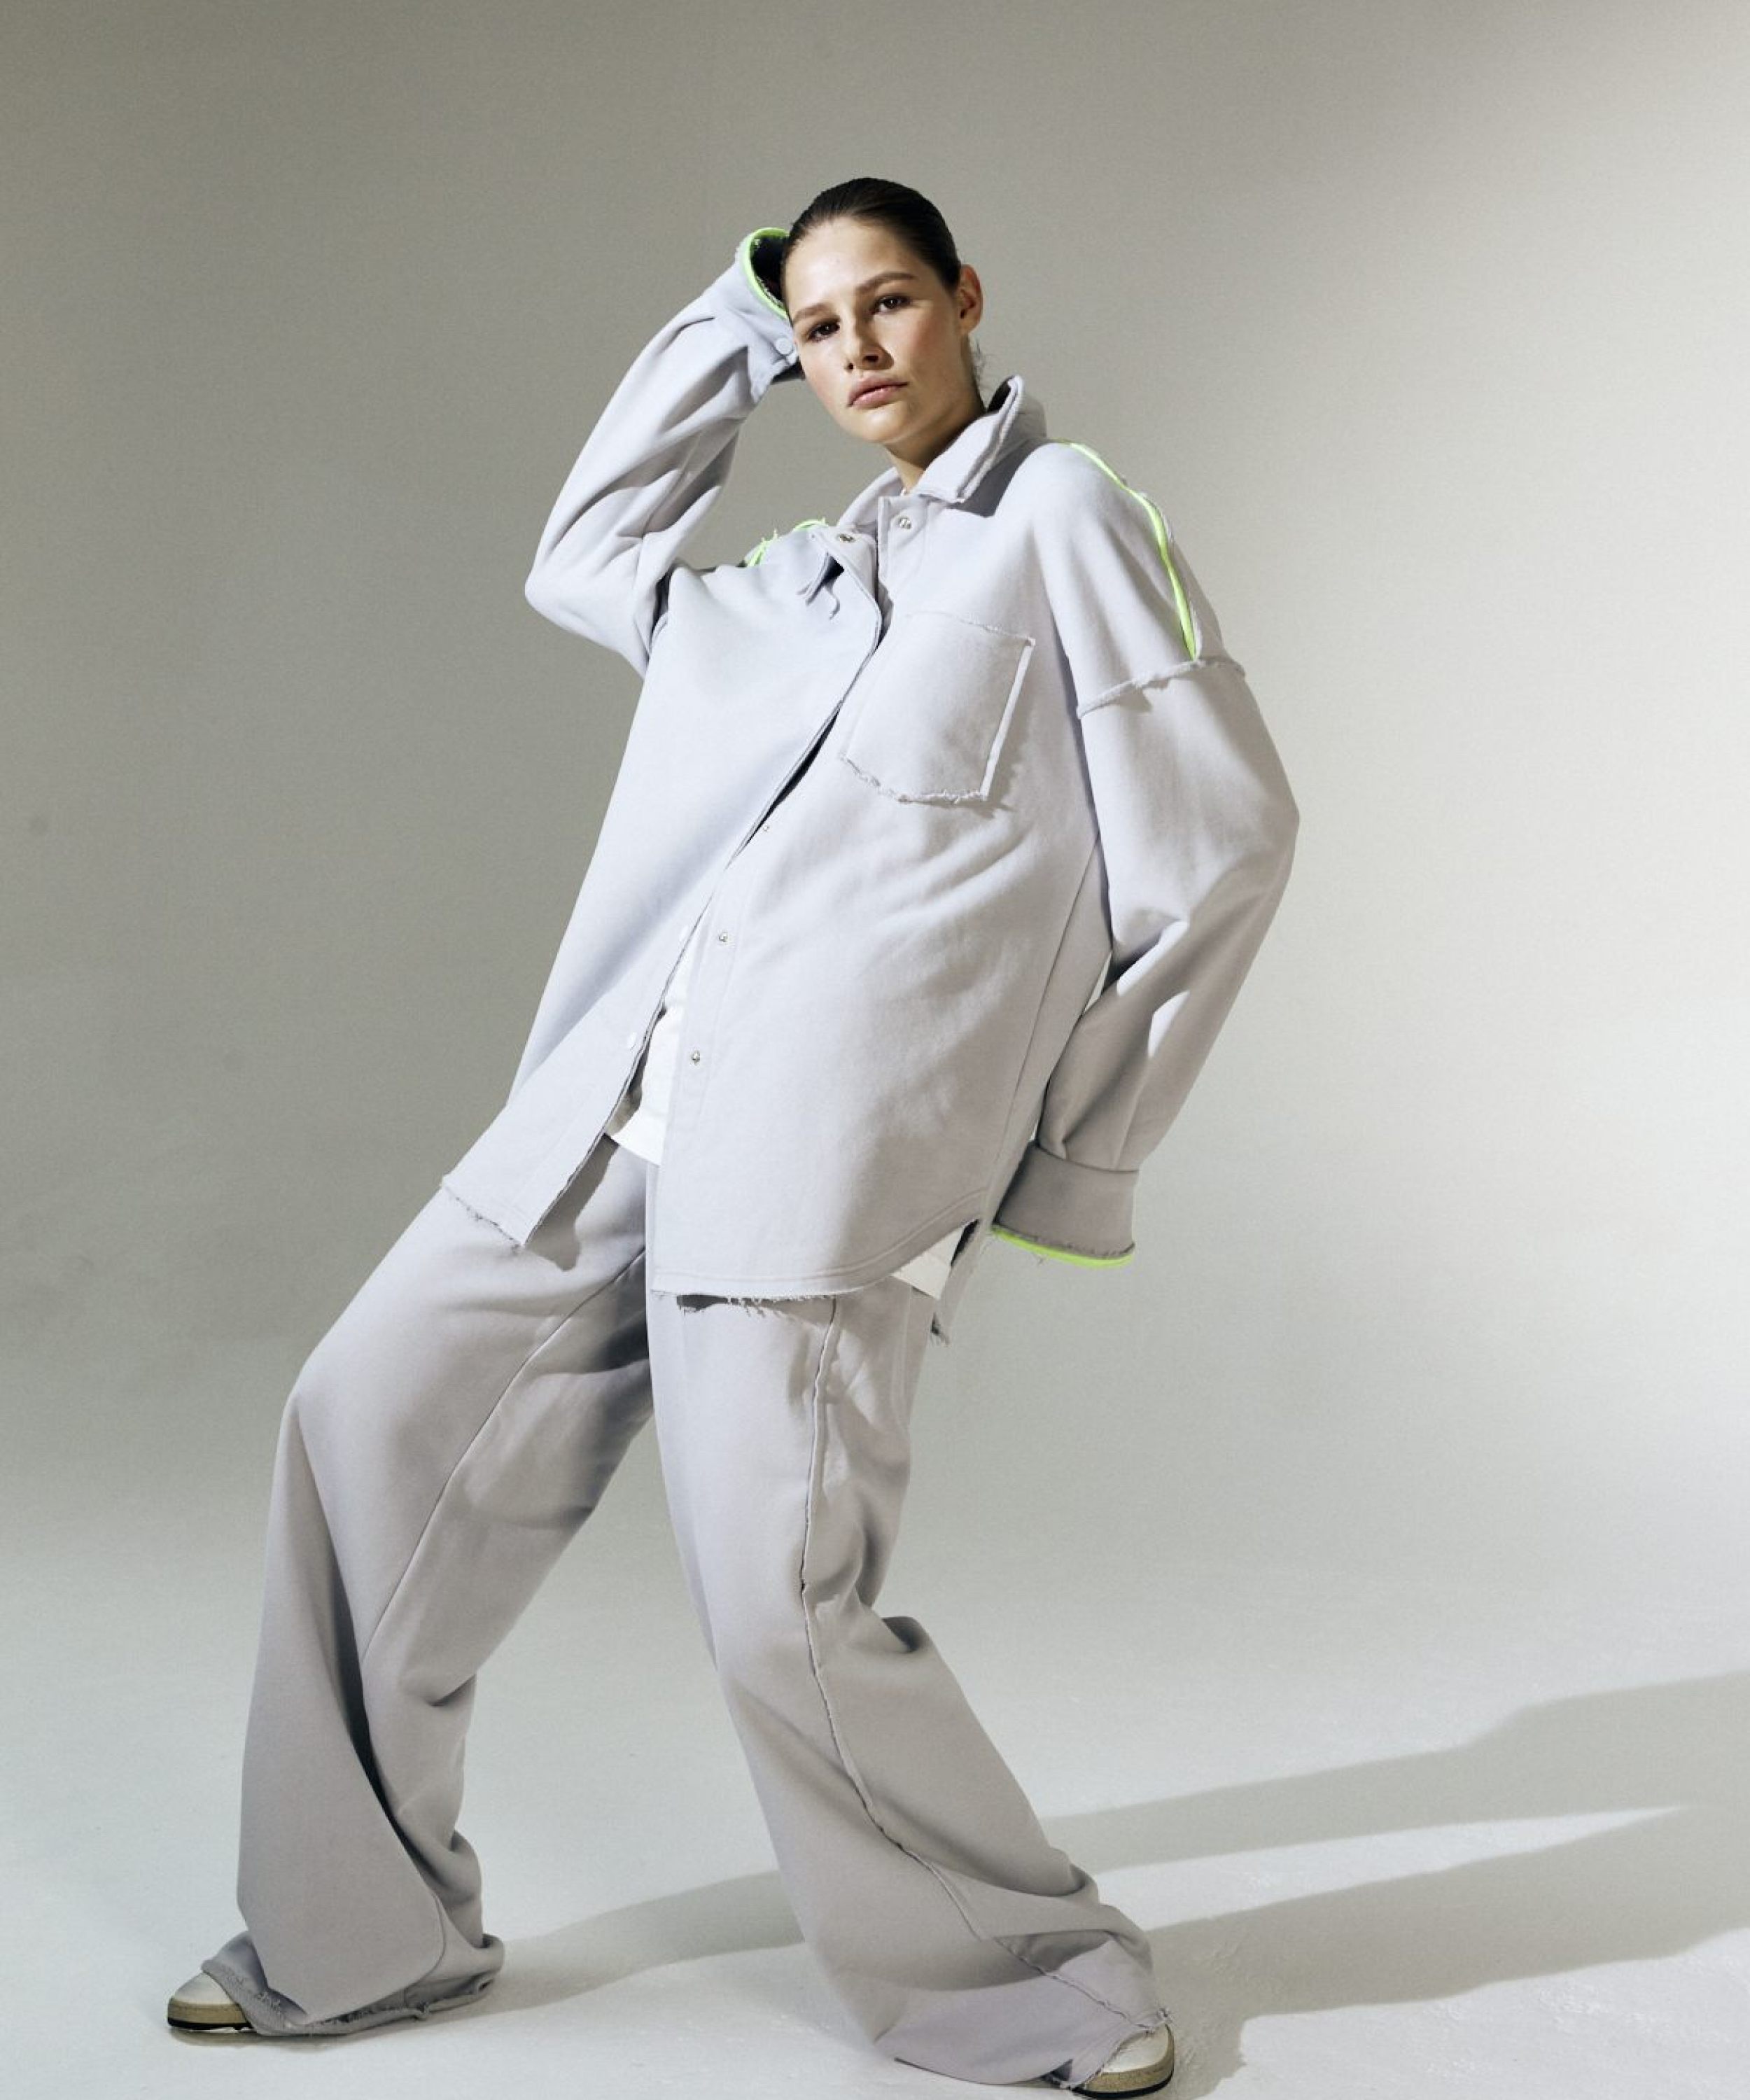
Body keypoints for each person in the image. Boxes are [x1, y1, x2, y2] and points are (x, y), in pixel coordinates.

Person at [167, 177, 1298, 2095]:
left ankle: (1031, 1984)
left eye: (888, 303)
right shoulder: (793, 584)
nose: (856, 348)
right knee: (366, 1418)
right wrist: (729, 318)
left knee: (778, 1604)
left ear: (965, 298)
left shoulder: (1063, 517)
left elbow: (1224, 843)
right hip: (609, 1122)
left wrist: (1071, 1160)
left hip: (826, 1170)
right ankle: (359, 1935)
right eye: (817, 325)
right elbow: (587, 555)